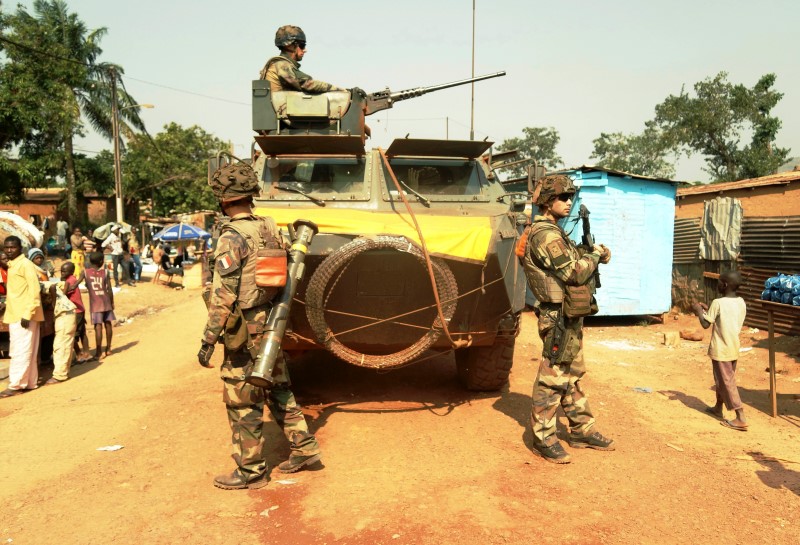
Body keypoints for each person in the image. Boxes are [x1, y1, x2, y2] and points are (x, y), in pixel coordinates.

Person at [198, 160, 321, 490]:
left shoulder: (232, 236)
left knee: (242, 397)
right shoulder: (269, 227)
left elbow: (223, 295)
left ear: (223, 199)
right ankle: (304, 448)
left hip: (245, 327)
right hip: (272, 321)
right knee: (277, 387)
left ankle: (250, 471)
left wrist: (209, 339)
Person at [522, 174, 614, 464]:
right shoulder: (546, 234)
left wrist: (594, 252)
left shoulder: (555, 231)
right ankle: (544, 438)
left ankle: (581, 429)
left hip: (569, 314)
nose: (569, 201)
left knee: (572, 375)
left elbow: (572, 259)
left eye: (570, 197)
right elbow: (573, 272)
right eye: (563, 197)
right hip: (557, 317)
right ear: (548, 201)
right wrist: (595, 257)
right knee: (552, 378)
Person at [692, 270, 748, 431]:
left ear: (724, 285)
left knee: (726, 382)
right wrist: (707, 311)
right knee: (721, 380)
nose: (717, 284)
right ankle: (718, 407)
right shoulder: (741, 302)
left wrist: (698, 312)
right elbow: (726, 316)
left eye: (719, 282)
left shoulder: (718, 302)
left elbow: (705, 324)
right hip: (733, 347)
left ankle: (740, 417)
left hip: (721, 349)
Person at [1, 236, 44, 398]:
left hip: (24, 315)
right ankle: (29, 382)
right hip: (16, 313)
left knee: (20, 350)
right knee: (27, 350)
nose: (9, 250)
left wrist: (28, 313)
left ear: (20, 249)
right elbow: (8, 266)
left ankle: (16, 384)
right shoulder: (14, 264)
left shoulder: (25, 264)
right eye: (6, 248)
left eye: (12, 247)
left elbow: (34, 290)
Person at [259, 25, 344, 93]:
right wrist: (339, 90)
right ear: (290, 46)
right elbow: (307, 84)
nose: (305, 50)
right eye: (302, 46)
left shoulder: (280, 64)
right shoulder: (282, 65)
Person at [47, 263, 79, 384]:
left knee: (61, 345)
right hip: (66, 314)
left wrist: (54, 300)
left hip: (65, 314)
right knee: (64, 343)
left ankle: (60, 375)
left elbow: (62, 286)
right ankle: (62, 371)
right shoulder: (53, 283)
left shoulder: (48, 285)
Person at [84, 252, 114, 360]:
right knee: (108, 324)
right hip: (106, 301)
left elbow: (76, 284)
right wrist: (112, 302)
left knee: (98, 327)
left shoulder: (86, 273)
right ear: (101, 261)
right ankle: (109, 349)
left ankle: (98, 352)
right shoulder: (105, 272)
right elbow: (109, 289)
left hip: (95, 304)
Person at [62, 260, 92, 364]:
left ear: (70, 272)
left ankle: (79, 354)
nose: (62, 273)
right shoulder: (72, 278)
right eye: (61, 271)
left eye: (64, 272)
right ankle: (87, 353)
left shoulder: (69, 281)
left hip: (75, 311)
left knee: (72, 334)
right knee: (82, 332)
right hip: (80, 310)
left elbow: (64, 294)